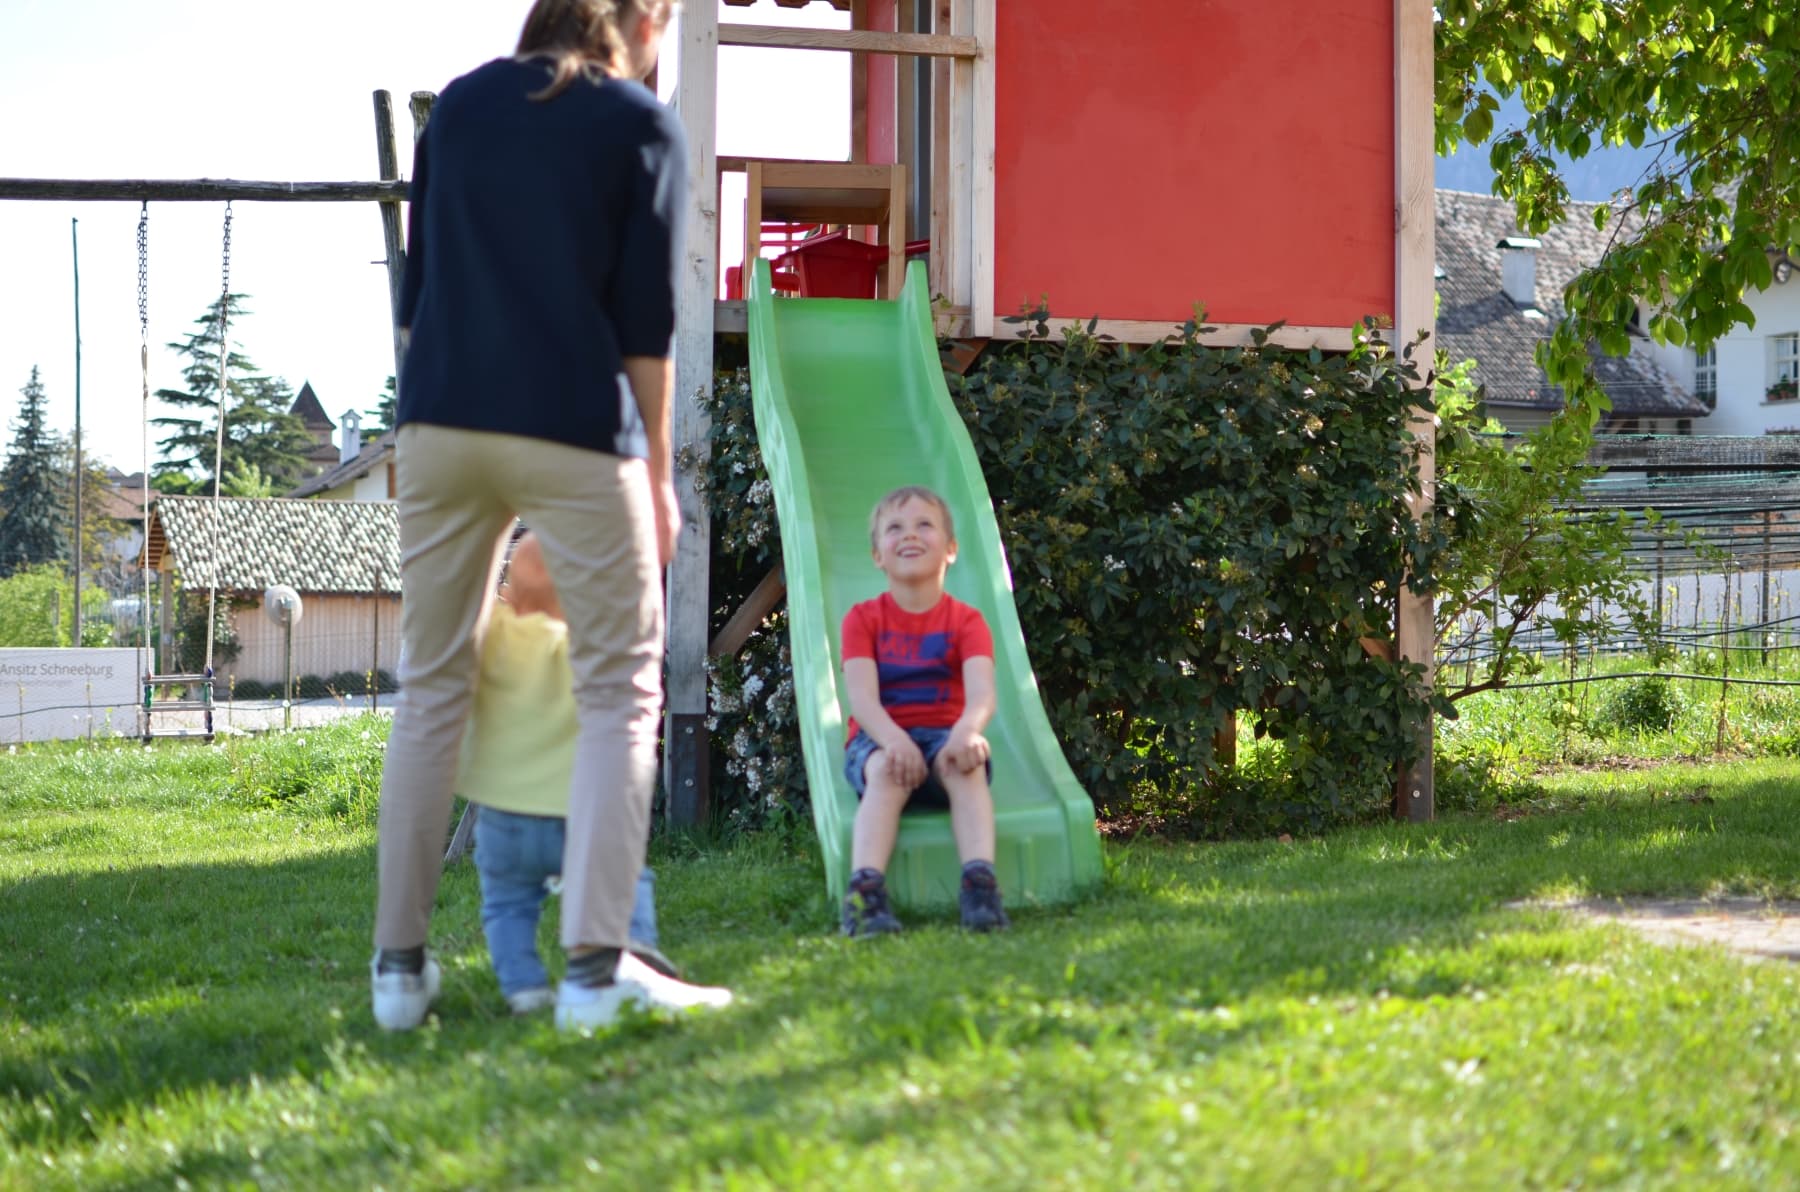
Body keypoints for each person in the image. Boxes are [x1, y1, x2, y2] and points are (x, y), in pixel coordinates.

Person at [372, 0, 730, 1033]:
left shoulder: (462, 111)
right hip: (574, 422)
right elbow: (645, 320)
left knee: (433, 684)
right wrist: (658, 470)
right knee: (623, 686)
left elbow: (420, 290)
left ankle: (399, 976)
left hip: (438, 419)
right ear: (638, 21)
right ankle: (592, 974)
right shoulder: (635, 119)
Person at [460, 533, 707, 1014]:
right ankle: (633, 947)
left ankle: (524, 986)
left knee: (507, 905)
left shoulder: (493, 638)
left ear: (510, 592)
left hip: (499, 817)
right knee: (623, 873)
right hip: (571, 810)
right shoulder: (588, 644)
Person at [839, 486, 1009, 937]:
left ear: (950, 549)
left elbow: (982, 694)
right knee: (885, 772)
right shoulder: (862, 619)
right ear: (878, 554)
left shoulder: (967, 621)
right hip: (879, 738)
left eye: (924, 525)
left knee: (967, 768)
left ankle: (980, 885)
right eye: (894, 528)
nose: (909, 535)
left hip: (944, 738)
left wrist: (968, 732)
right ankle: (865, 894)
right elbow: (862, 699)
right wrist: (894, 741)